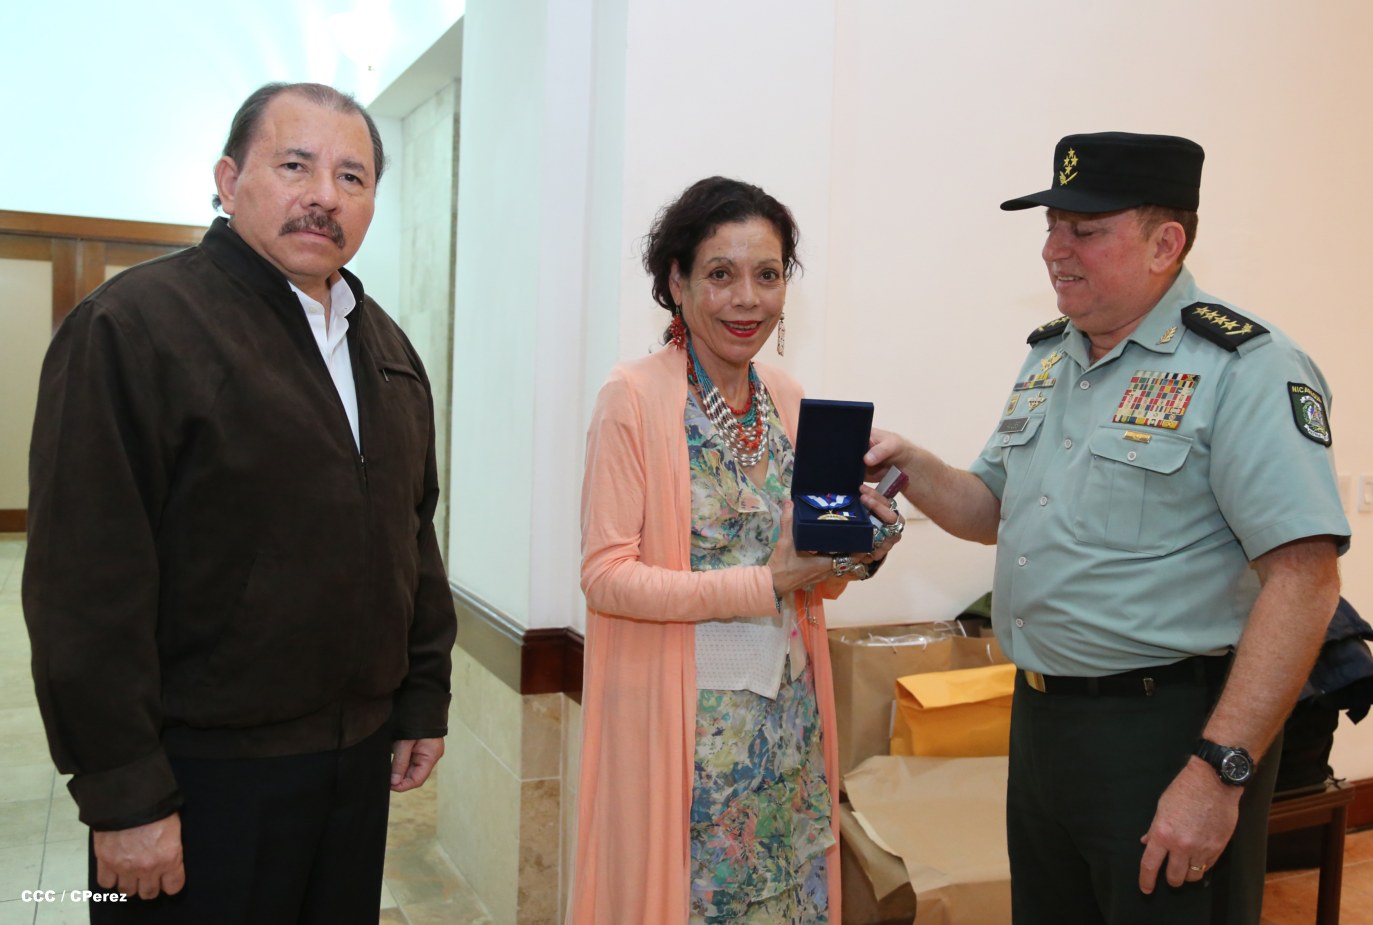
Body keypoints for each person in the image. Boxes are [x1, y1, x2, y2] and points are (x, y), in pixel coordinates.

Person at [865, 132, 1349, 925]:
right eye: (1051, 226)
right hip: (1043, 722)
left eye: (1084, 230)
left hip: (1168, 729)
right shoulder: (1050, 357)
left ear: (1165, 243)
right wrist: (910, 464)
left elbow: (1304, 581)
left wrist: (1216, 771)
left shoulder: (1244, 367)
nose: (1053, 250)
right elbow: (990, 509)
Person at [23, 82, 456, 923]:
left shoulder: (385, 347)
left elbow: (412, 535)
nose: (324, 195)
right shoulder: (134, 327)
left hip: (354, 766)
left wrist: (419, 695)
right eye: (295, 166)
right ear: (228, 181)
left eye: (352, 177)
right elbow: (84, 584)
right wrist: (124, 792)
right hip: (198, 775)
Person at [569, 176, 903, 925]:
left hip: (787, 730)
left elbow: (807, 574)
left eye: (768, 275)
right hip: (688, 741)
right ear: (676, 282)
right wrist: (765, 582)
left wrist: (858, 545)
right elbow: (605, 576)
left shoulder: (788, 398)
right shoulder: (632, 397)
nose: (746, 299)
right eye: (720, 274)